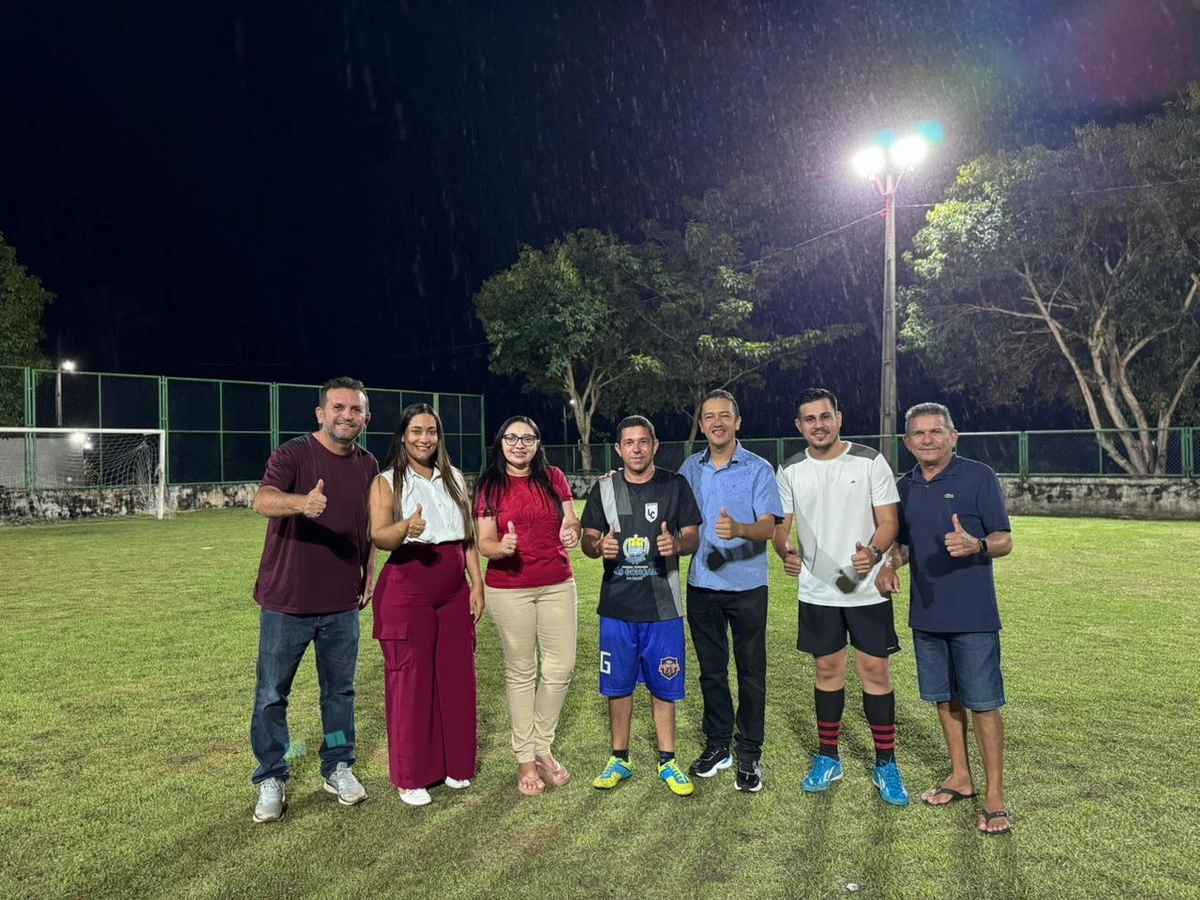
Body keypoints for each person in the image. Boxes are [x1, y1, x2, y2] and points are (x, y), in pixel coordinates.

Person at [875, 402, 1014, 835]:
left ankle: (995, 795)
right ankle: (960, 776)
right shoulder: (905, 486)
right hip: (928, 614)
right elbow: (904, 546)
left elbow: (1004, 540)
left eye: (936, 431)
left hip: (974, 615)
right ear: (907, 442)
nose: (928, 439)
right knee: (944, 697)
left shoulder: (978, 476)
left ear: (953, 436)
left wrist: (977, 545)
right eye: (918, 434)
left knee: (983, 702)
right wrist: (888, 565)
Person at [249, 377, 378, 823]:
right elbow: (262, 500)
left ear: (365, 417)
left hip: (342, 602)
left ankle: (337, 765)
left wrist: (370, 575)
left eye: (356, 409)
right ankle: (271, 773)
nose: (347, 415)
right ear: (321, 414)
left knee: (339, 692)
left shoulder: (368, 464)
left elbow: (370, 527)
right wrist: (301, 503)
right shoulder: (293, 455)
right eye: (338, 407)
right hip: (286, 601)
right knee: (271, 695)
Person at [772, 387, 909, 806]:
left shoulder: (870, 461)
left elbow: (889, 522)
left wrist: (873, 552)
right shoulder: (791, 469)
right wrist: (785, 552)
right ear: (799, 426)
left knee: (875, 673)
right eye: (809, 419)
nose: (819, 425)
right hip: (818, 590)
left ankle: (886, 762)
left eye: (825, 417)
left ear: (839, 418)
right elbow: (781, 528)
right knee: (828, 672)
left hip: (865, 590)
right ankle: (828, 757)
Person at [368, 403, 484, 807]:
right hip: (408, 587)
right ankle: (411, 775)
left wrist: (477, 584)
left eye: (431, 431)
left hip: (453, 588)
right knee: (411, 683)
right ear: (402, 435)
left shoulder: (453, 478)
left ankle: (456, 765)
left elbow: (468, 536)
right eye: (416, 431)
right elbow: (380, 536)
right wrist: (405, 528)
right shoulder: (386, 481)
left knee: (456, 676)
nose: (424, 438)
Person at [580, 415, 702, 797]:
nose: (636, 448)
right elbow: (587, 540)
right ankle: (620, 758)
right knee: (619, 686)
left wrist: (676, 546)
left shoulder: (674, 485)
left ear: (655, 445)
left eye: (643, 441)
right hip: (617, 606)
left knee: (664, 683)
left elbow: (693, 536)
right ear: (618, 449)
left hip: (663, 606)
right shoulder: (606, 488)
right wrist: (600, 547)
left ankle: (668, 760)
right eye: (628, 442)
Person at [678, 390, 783, 793]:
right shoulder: (691, 467)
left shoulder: (757, 468)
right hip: (702, 586)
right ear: (702, 425)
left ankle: (750, 753)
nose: (717, 422)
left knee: (751, 673)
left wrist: (738, 530)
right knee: (711, 672)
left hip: (747, 587)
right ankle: (718, 744)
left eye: (725, 416)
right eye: (709, 416)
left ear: (738, 422)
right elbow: (668, 506)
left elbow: (767, 527)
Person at [473, 416, 581, 796]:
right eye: (512, 437)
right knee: (521, 672)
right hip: (510, 588)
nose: (519, 445)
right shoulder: (489, 485)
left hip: (557, 584)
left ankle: (541, 746)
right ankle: (526, 757)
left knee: (561, 667)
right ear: (500, 441)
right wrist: (499, 549)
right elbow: (483, 541)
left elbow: (571, 521)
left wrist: (572, 530)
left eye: (528, 438)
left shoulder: (553, 476)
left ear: (537, 442)